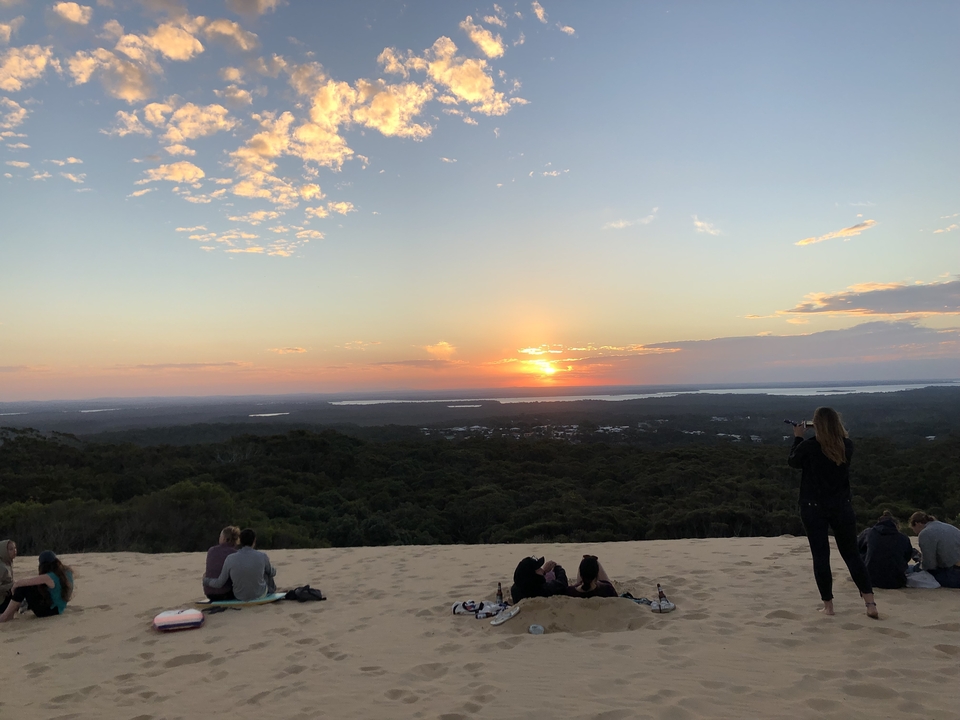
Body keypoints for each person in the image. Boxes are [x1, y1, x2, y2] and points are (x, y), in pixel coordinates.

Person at [788, 407, 878, 618]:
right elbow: (831, 444)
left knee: (821, 556)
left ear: (816, 425)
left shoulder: (809, 447)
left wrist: (798, 437)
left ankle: (828, 606)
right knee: (852, 555)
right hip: (841, 506)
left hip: (813, 508)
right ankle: (870, 603)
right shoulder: (847, 446)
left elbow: (793, 461)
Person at [203, 528, 277, 602]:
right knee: (267, 572)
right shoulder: (262, 556)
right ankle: (272, 591)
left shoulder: (230, 558)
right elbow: (272, 572)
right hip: (259, 594)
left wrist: (206, 580)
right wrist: (273, 570)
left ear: (240, 541)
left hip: (239, 595)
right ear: (254, 541)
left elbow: (220, 582)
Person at [0, 550, 74, 623]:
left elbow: (21, 583)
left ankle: (5, 616)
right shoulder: (67, 572)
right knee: (33, 587)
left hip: (48, 611)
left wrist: (14, 588)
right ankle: (14, 611)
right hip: (59, 608)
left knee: (22, 588)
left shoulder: (48, 577)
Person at [857, 512, 914, 589]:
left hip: (870, 580)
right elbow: (907, 557)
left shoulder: (869, 532)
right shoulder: (903, 538)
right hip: (897, 582)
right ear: (896, 525)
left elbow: (857, 548)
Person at [909, 511, 960, 588]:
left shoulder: (925, 533)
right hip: (955, 568)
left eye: (913, 529)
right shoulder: (951, 527)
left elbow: (929, 565)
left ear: (917, 523)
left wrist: (921, 561)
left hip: (953, 575)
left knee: (911, 569)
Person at [203, 526, 241, 600]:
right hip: (226, 593)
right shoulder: (235, 554)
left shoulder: (211, 550)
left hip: (209, 593)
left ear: (224, 538)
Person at [0, 539, 16, 614]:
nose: (14, 551)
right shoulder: (2, 567)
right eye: (10, 549)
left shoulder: (7, 563)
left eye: (15, 548)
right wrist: (11, 586)